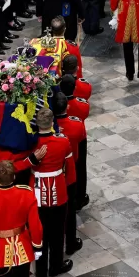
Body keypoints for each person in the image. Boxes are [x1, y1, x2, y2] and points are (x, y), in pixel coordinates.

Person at [32, 108, 76, 277]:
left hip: (36, 192)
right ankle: (55, 266)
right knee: (57, 232)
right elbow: (70, 169)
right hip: (58, 190)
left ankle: (41, 272)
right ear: (52, 123)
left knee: (39, 233)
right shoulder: (62, 141)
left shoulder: (31, 142)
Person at [54, 92, 87, 245]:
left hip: (53, 174)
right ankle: (71, 241)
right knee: (70, 205)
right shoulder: (76, 124)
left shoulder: (48, 129)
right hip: (71, 168)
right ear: (67, 106)